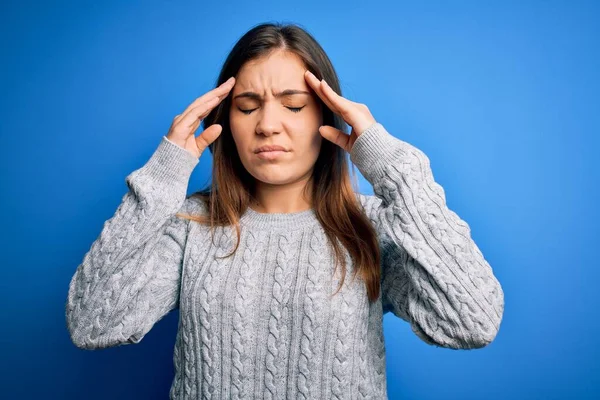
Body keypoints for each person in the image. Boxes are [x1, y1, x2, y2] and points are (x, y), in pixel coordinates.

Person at [65, 22, 504, 400]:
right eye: (247, 106)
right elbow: (91, 324)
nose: (267, 124)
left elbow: (472, 321)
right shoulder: (191, 227)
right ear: (226, 119)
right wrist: (161, 178)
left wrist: (391, 164)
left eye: (293, 106)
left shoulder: (369, 228)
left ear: (327, 117)